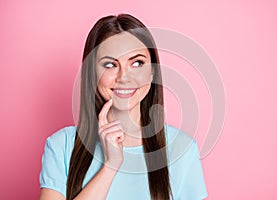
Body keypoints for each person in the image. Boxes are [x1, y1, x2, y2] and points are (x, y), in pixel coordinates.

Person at [39, 13, 208, 200]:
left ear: (152, 72)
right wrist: (111, 165)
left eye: (137, 63)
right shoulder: (61, 146)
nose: (124, 77)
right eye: (110, 64)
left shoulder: (182, 148)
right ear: (92, 73)